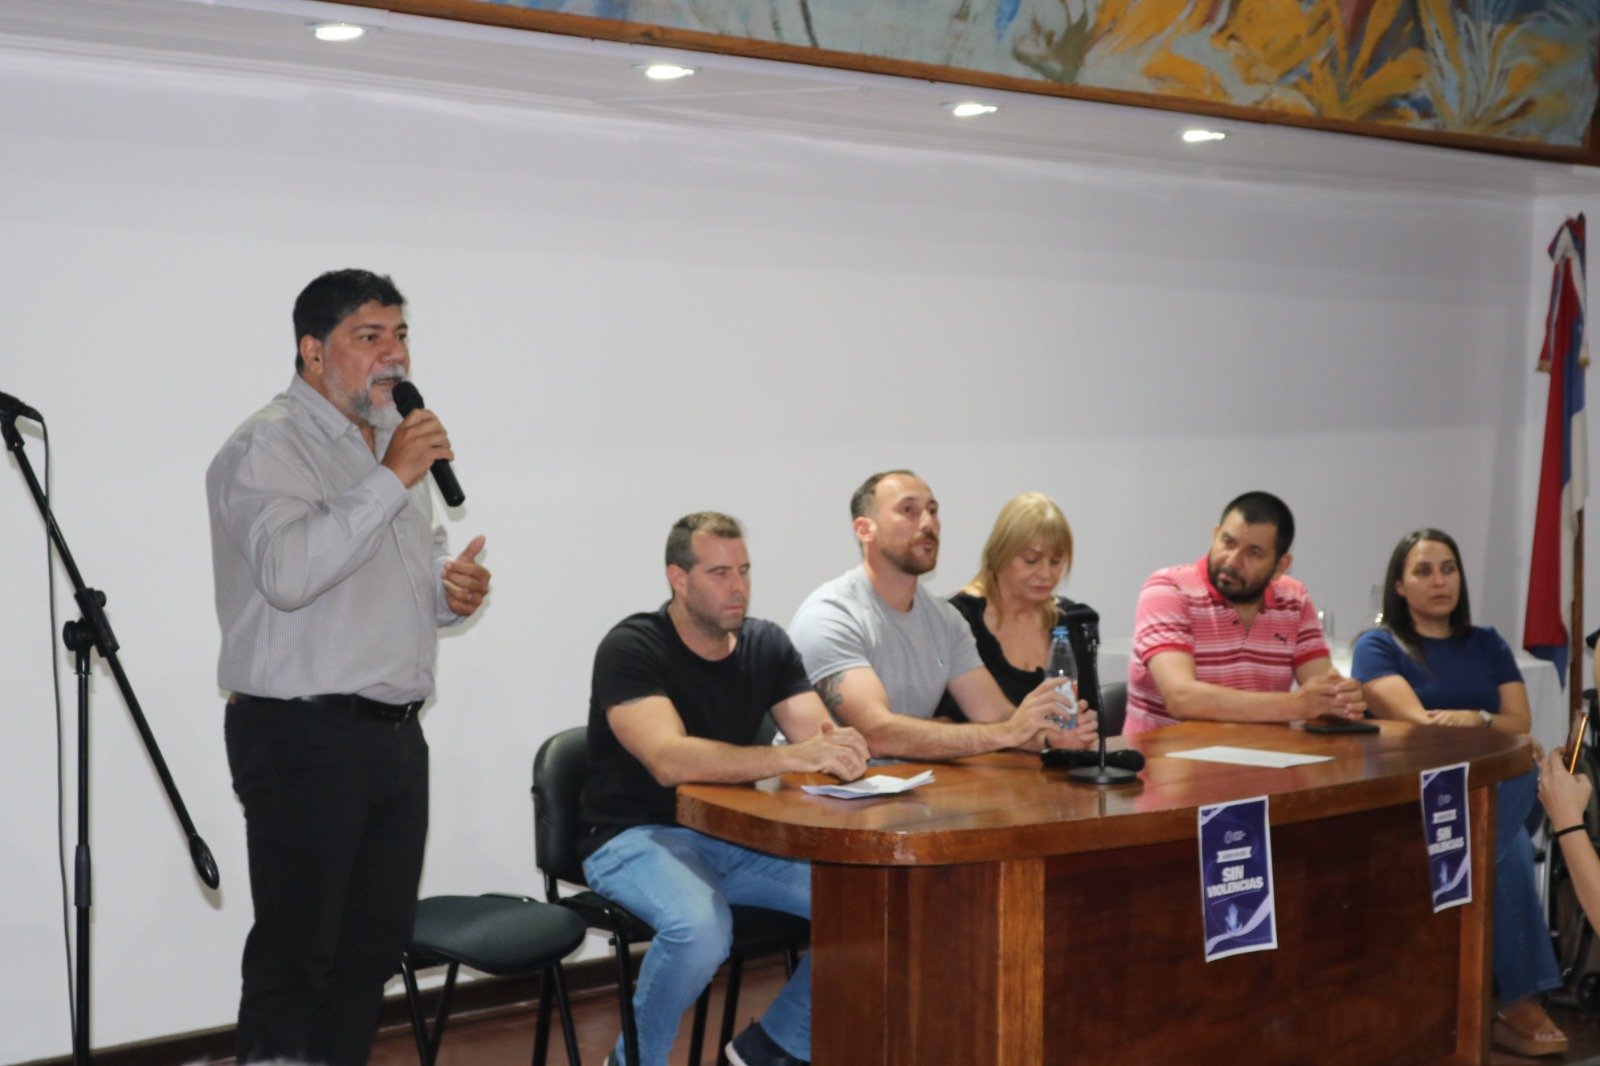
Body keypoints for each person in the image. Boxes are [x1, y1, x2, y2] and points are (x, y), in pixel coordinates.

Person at [207, 269, 491, 1065]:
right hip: (301, 736)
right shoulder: (267, 446)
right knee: (298, 955)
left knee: (369, 952)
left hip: (393, 738)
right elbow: (289, 573)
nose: (392, 354)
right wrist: (391, 477)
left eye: (400, 335)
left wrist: (448, 593)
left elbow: (391, 579)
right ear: (312, 351)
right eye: (369, 337)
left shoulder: (387, 440)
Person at [581, 512, 870, 1066]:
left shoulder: (766, 644)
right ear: (678, 578)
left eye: (744, 570)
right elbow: (669, 760)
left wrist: (842, 751)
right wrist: (793, 756)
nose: (738, 586)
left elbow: (817, 737)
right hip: (632, 837)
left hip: (733, 836)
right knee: (700, 931)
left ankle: (769, 1050)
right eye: (719, 573)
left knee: (872, 908)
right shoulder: (632, 647)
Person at [1352, 529, 1563, 1057]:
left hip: (1493, 792)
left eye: (1448, 569)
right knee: (1510, 849)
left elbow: (1519, 721)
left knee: (1519, 777)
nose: (1439, 580)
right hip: (1418, 798)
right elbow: (1420, 724)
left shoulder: (1486, 642)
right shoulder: (1378, 646)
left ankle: (1469, 995)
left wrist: (1477, 719)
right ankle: (1518, 1003)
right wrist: (1492, 727)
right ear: (1399, 586)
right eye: (1423, 571)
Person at [788, 470, 1096, 759]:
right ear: (864, 529)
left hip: (912, 785)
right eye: (908, 510)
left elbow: (996, 716)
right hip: (822, 789)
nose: (928, 523)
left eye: (933, 511)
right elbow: (877, 733)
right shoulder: (830, 615)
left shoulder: (946, 620)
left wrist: (1049, 738)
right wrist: (1008, 733)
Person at [1124, 490, 1364, 735]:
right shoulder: (1168, 589)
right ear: (1215, 536)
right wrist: (1296, 705)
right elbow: (1181, 698)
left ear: (1280, 566)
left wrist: (1338, 698)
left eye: (1254, 553)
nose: (1232, 560)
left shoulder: (1294, 599)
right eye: (1228, 542)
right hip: (1166, 755)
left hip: (1261, 752)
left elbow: (1323, 689)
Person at [936, 492, 1098, 719]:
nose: (1045, 574)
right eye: (1031, 560)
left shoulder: (1072, 621)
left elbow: (1089, 710)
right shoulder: (959, 619)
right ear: (1000, 555)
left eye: (1055, 561)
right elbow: (939, 721)